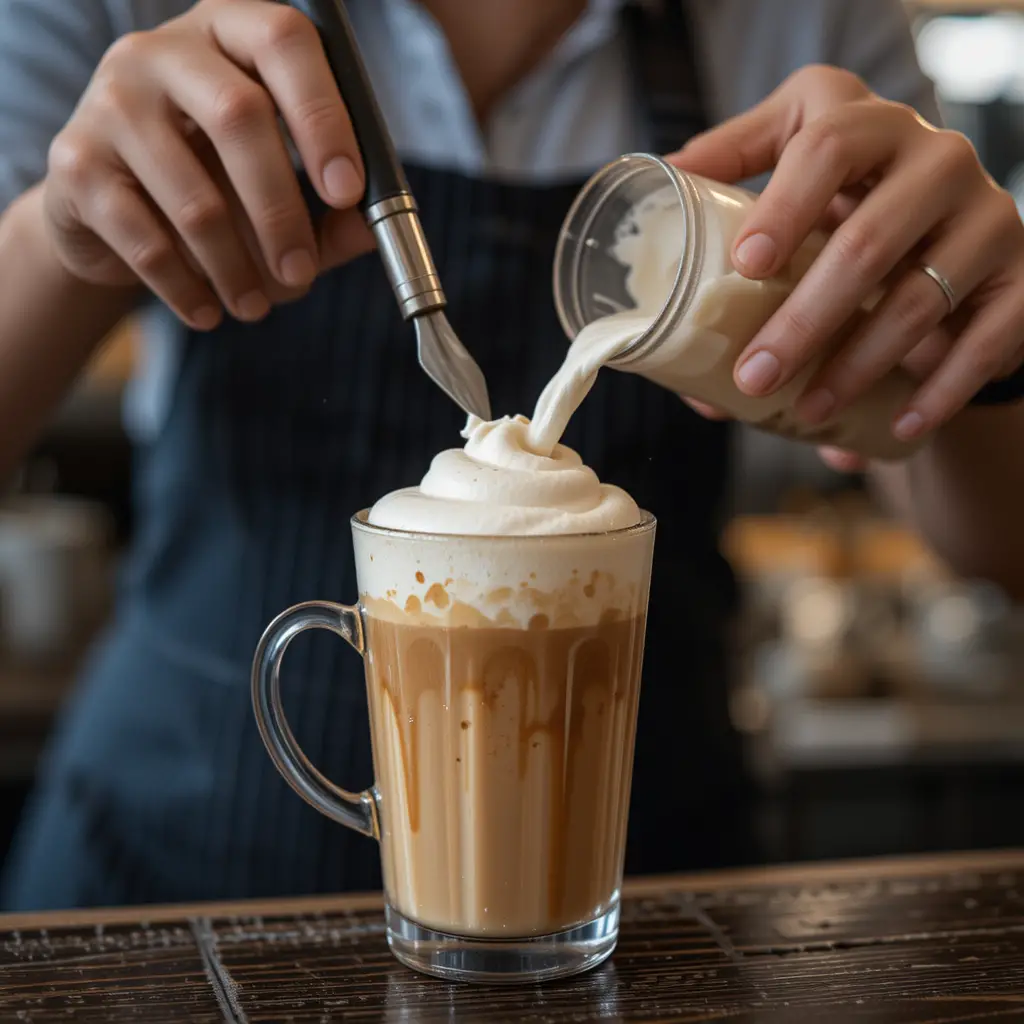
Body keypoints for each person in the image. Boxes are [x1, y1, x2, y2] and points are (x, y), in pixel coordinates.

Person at [1, 0, 1023, 910]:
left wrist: (978, 350)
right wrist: (58, 236)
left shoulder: (808, 21)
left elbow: (998, 545)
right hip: (175, 871)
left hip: (646, 889)